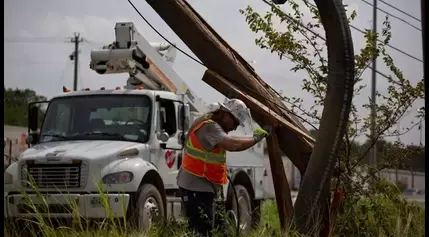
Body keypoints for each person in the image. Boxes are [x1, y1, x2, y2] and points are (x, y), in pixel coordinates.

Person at [176, 98, 269, 236]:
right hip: (195, 186)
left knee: (219, 230)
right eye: (236, 122)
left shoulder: (212, 124)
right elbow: (232, 144)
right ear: (227, 115)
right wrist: (255, 139)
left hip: (206, 186)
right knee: (203, 230)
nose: (236, 127)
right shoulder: (209, 127)